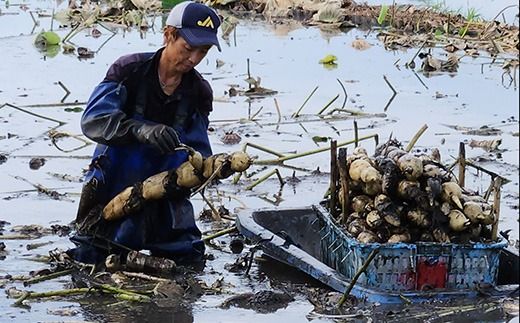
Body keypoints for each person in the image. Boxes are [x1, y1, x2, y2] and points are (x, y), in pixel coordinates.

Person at [68, 1, 221, 265]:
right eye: (188, 48)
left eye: (203, 51)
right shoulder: (129, 70)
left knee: (189, 259)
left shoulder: (199, 91)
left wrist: (208, 168)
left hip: (166, 190)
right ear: (168, 34)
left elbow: (199, 150)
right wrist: (139, 129)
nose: (194, 59)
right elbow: (93, 121)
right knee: (90, 256)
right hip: (113, 185)